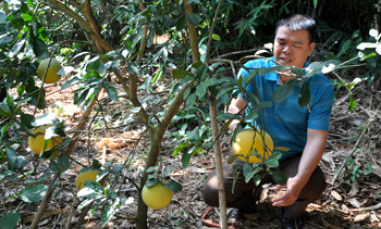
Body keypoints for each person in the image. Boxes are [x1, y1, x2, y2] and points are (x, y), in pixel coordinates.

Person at [202, 14, 334, 229]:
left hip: (293, 156)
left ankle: (291, 215)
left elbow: (316, 138)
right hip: (254, 150)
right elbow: (235, 107)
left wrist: (299, 178)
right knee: (213, 191)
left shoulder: (319, 86)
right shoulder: (254, 71)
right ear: (273, 42)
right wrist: (239, 127)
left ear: (310, 49)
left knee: (311, 185)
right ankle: (248, 200)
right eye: (281, 42)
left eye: (296, 45)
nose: (286, 50)